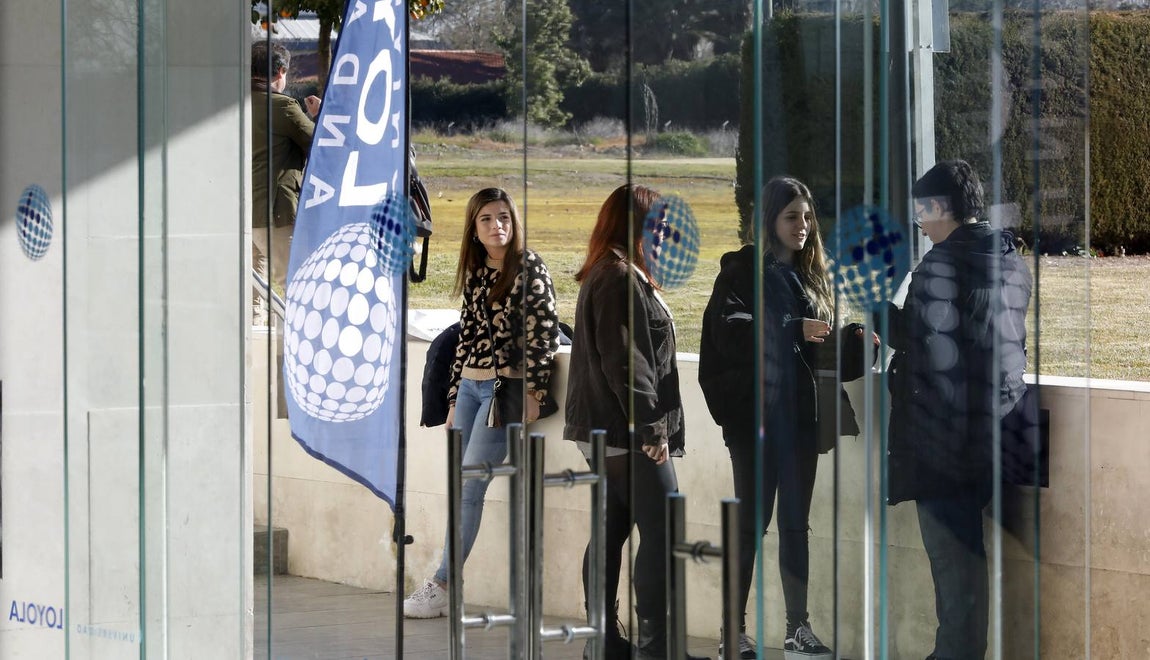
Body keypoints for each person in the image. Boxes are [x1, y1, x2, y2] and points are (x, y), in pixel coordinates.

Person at [700, 176, 866, 659]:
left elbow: (820, 353)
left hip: (800, 421)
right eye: (792, 216)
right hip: (755, 422)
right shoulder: (741, 272)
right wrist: (795, 327)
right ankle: (733, 632)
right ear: (770, 220)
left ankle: (798, 628)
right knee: (753, 523)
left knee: (796, 524)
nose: (803, 225)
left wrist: (854, 343)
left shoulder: (814, 277)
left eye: (808, 216)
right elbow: (730, 332)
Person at [884, 160, 1031, 660]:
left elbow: (929, 346)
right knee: (965, 565)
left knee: (954, 568)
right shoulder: (1010, 259)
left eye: (921, 212)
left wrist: (883, 312)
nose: (920, 224)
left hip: (944, 442)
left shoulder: (942, 265)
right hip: (997, 432)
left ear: (940, 208)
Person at [563, 184, 708, 660]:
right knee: (663, 530)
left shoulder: (615, 272)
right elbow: (627, 363)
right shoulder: (619, 277)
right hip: (628, 432)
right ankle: (654, 649)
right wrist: (651, 430)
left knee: (611, 530)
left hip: (607, 431)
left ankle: (602, 644)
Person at [403, 188, 560, 618]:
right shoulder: (475, 272)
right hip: (470, 390)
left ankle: (442, 583)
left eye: (504, 217)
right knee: (459, 487)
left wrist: (534, 393)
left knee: (471, 488)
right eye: (488, 219)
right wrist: (453, 398)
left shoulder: (528, 267)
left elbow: (544, 335)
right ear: (474, 228)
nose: (498, 226)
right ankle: (446, 583)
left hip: (501, 393)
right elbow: (466, 338)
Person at [251, 41, 321, 300]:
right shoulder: (282, 106)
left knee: (252, 292)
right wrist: (321, 114)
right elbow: (321, 145)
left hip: (242, 213)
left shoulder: (233, 103)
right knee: (298, 287)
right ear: (280, 71)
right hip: (274, 213)